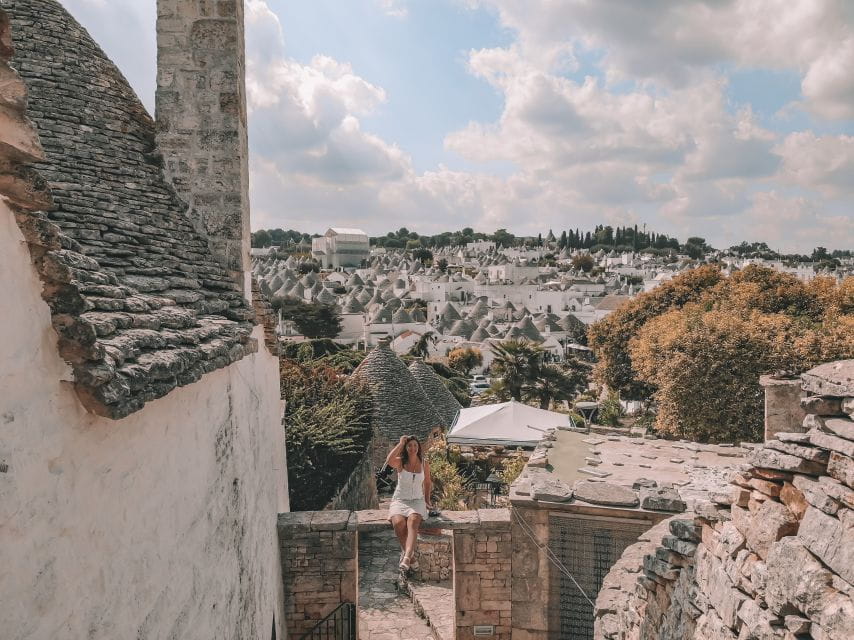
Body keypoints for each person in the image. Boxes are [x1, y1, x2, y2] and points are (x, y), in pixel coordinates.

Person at [385, 434, 433, 571]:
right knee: (399, 523)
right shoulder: (400, 462)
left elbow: (428, 482)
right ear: (406, 448)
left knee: (413, 521)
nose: (412, 448)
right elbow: (389, 460)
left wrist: (427, 500)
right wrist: (400, 443)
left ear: (418, 447)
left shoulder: (424, 462)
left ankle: (406, 558)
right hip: (400, 499)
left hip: (417, 500)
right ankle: (411, 557)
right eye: (409, 446)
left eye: (415, 445)